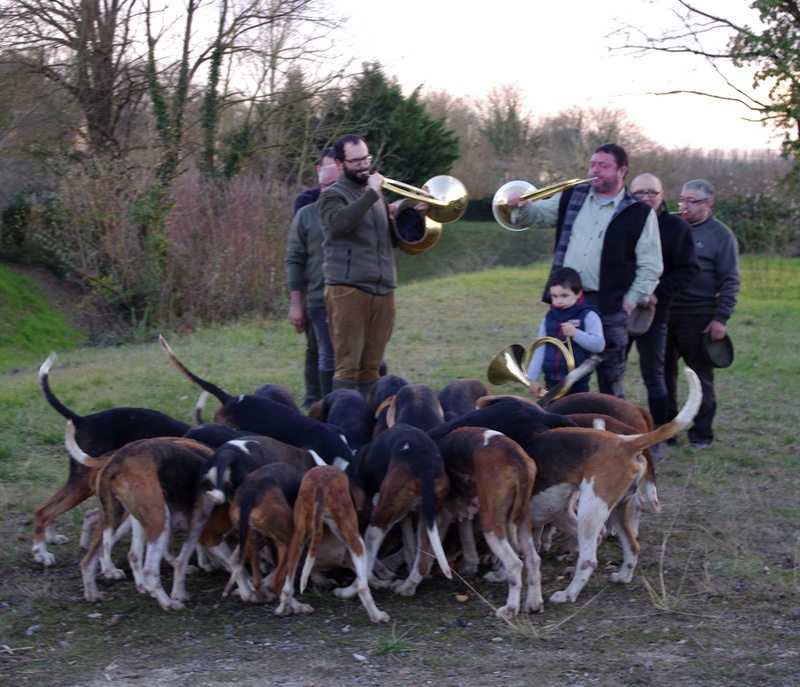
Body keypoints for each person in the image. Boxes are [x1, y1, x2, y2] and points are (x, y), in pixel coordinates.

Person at [507, 143, 663, 398]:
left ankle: (612, 434)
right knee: (561, 373)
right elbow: (537, 216)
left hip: (611, 305)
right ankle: (568, 430)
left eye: (603, 166)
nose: (594, 170)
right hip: (567, 302)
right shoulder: (572, 195)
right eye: (592, 164)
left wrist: (628, 303)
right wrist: (520, 206)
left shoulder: (639, 211)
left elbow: (651, 266)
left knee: (610, 380)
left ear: (622, 171)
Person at [316, 133, 426, 398]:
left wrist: (411, 216)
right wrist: (374, 194)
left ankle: (368, 423)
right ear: (340, 164)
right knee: (348, 367)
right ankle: (342, 425)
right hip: (348, 290)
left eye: (366, 158)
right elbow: (340, 224)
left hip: (384, 288)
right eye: (356, 161)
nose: (364, 165)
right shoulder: (332, 196)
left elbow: (390, 240)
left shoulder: (376, 198)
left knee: (371, 367)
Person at [628, 173, 699, 460]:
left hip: (654, 311)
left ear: (661, 194)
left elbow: (688, 270)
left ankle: (659, 436)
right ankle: (611, 429)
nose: (646, 197)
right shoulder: (623, 221)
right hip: (620, 308)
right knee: (611, 369)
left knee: (654, 373)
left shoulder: (676, 228)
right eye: (639, 193)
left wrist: (658, 292)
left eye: (651, 192)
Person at [665, 179, 740, 450]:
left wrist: (721, 318)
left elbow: (730, 280)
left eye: (692, 201)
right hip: (666, 312)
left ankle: (701, 433)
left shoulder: (721, 236)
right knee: (663, 375)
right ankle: (667, 432)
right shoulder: (672, 228)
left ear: (708, 203)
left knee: (700, 376)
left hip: (699, 316)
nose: (684, 205)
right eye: (682, 199)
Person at [286, 162, 340, 403]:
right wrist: (296, 303)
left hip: (357, 297)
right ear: (320, 187)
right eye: (332, 185)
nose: (339, 190)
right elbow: (294, 259)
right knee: (322, 352)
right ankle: (319, 401)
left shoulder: (360, 209)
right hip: (319, 297)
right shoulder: (306, 214)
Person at [527, 266, 605, 397]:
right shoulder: (549, 318)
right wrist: (532, 379)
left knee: (575, 415)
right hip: (551, 378)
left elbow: (599, 345)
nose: (559, 301)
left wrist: (576, 333)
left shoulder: (588, 315)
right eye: (554, 296)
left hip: (577, 380)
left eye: (565, 295)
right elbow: (540, 348)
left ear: (578, 293)